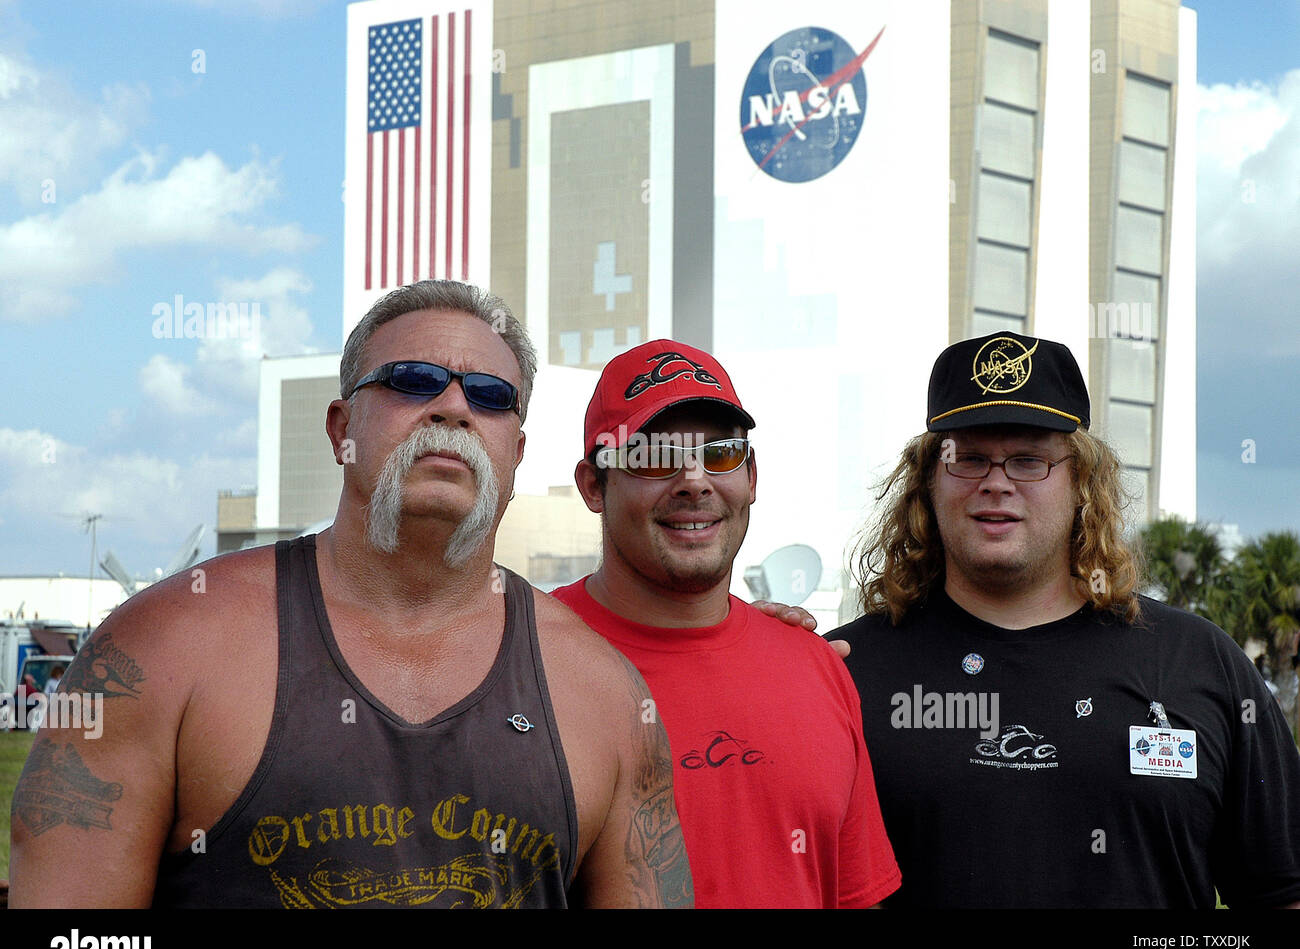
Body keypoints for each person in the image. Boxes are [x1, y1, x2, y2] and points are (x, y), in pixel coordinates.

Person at [9, 280, 691, 909]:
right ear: (342, 430)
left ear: (515, 448)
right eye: (412, 380)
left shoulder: (603, 696)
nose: (452, 406)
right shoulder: (162, 646)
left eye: (488, 394)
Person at [827, 332, 1300, 908]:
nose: (996, 481)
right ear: (928, 481)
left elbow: (1282, 891)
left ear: (1083, 483)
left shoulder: (1198, 662)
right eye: (968, 458)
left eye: (1030, 460)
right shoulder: (842, 674)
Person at [553, 340, 900, 908]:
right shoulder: (527, 660)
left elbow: (856, 896)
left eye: (719, 454)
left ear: (752, 478)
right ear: (594, 485)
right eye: (655, 456)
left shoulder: (815, 666)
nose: (694, 480)